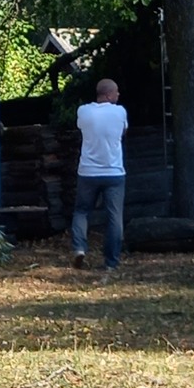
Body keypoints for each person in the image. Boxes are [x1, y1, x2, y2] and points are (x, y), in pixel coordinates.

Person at [71, 76, 129, 274]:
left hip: (88, 171)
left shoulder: (83, 111)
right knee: (114, 217)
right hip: (114, 172)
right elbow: (123, 133)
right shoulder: (120, 112)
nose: (118, 95)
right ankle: (111, 262)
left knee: (81, 211)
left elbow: (81, 128)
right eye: (116, 92)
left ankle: (79, 247)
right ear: (108, 94)